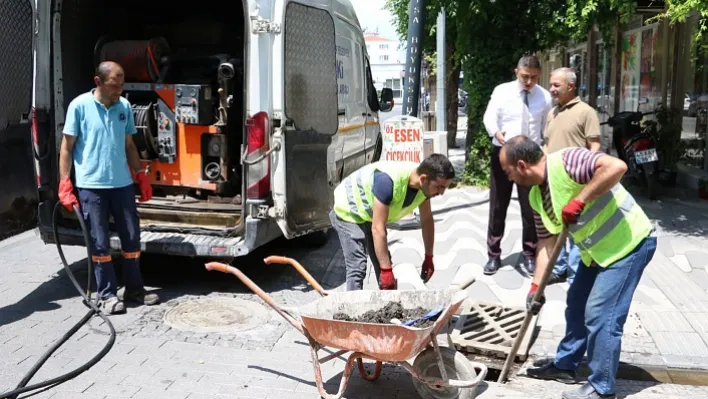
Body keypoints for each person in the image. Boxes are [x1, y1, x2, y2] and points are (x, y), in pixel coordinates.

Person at [499, 136, 656, 399]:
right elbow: (546, 245)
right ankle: (565, 365)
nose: (509, 178)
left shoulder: (568, 161)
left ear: (522, 165)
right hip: (596, 253)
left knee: (601, 314)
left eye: (508, 171)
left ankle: (601, 387)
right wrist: (536, 287)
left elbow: (617, 167)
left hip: (629, 244)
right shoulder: (537, 196)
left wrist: (580, 199)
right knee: (576, 305)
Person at [58, 61, 159, 314]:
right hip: (92, 186)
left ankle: (135, 289)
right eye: (115, 86)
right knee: (99, 243)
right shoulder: (79, 106)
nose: (120, 91)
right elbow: (67, 148)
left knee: (132, 239)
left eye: (122, 85)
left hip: (122, 185)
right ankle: (106, 294)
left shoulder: (123, 106)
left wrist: (140, 174)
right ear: (98, 82)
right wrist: (64, 182)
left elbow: (129, 146)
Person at [329, 154, 456, 291]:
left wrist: (429, 256)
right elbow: (378, 229)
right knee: (357, 266)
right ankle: (351, 310)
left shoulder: (423, 187)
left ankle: (390, 309)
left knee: (384, 263)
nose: (441, 193)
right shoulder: (387, 182)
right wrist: (386, 270)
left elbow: (426, 220)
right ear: (423, 179)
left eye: (445, 188)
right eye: (439, 187)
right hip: (348, 208)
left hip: (368, 213)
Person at [482, 54, 553, 276]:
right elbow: (489, 117)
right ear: (516, 72)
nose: (529, 82)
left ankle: (530, 254)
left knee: (531, 207)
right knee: (498, 206)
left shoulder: (545, 97)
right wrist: (495, 132)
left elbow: (546, 127)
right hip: (503, 153)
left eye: (534, 77)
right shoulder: (502, 91)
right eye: (525, 77)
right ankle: (493, 255)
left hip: (530, 156)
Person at [543, 67, 603, 286]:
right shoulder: (553, 112)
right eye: (551, 85)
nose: (552, 89)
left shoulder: (586, 112)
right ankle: (558, 268)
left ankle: (576, 275)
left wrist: (590, 174)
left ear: (571, 86)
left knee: (578, 228)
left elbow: (594, 144)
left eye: (556, 85)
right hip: (553, 180)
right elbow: (547, 144)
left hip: (577, 182)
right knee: (556, 225)